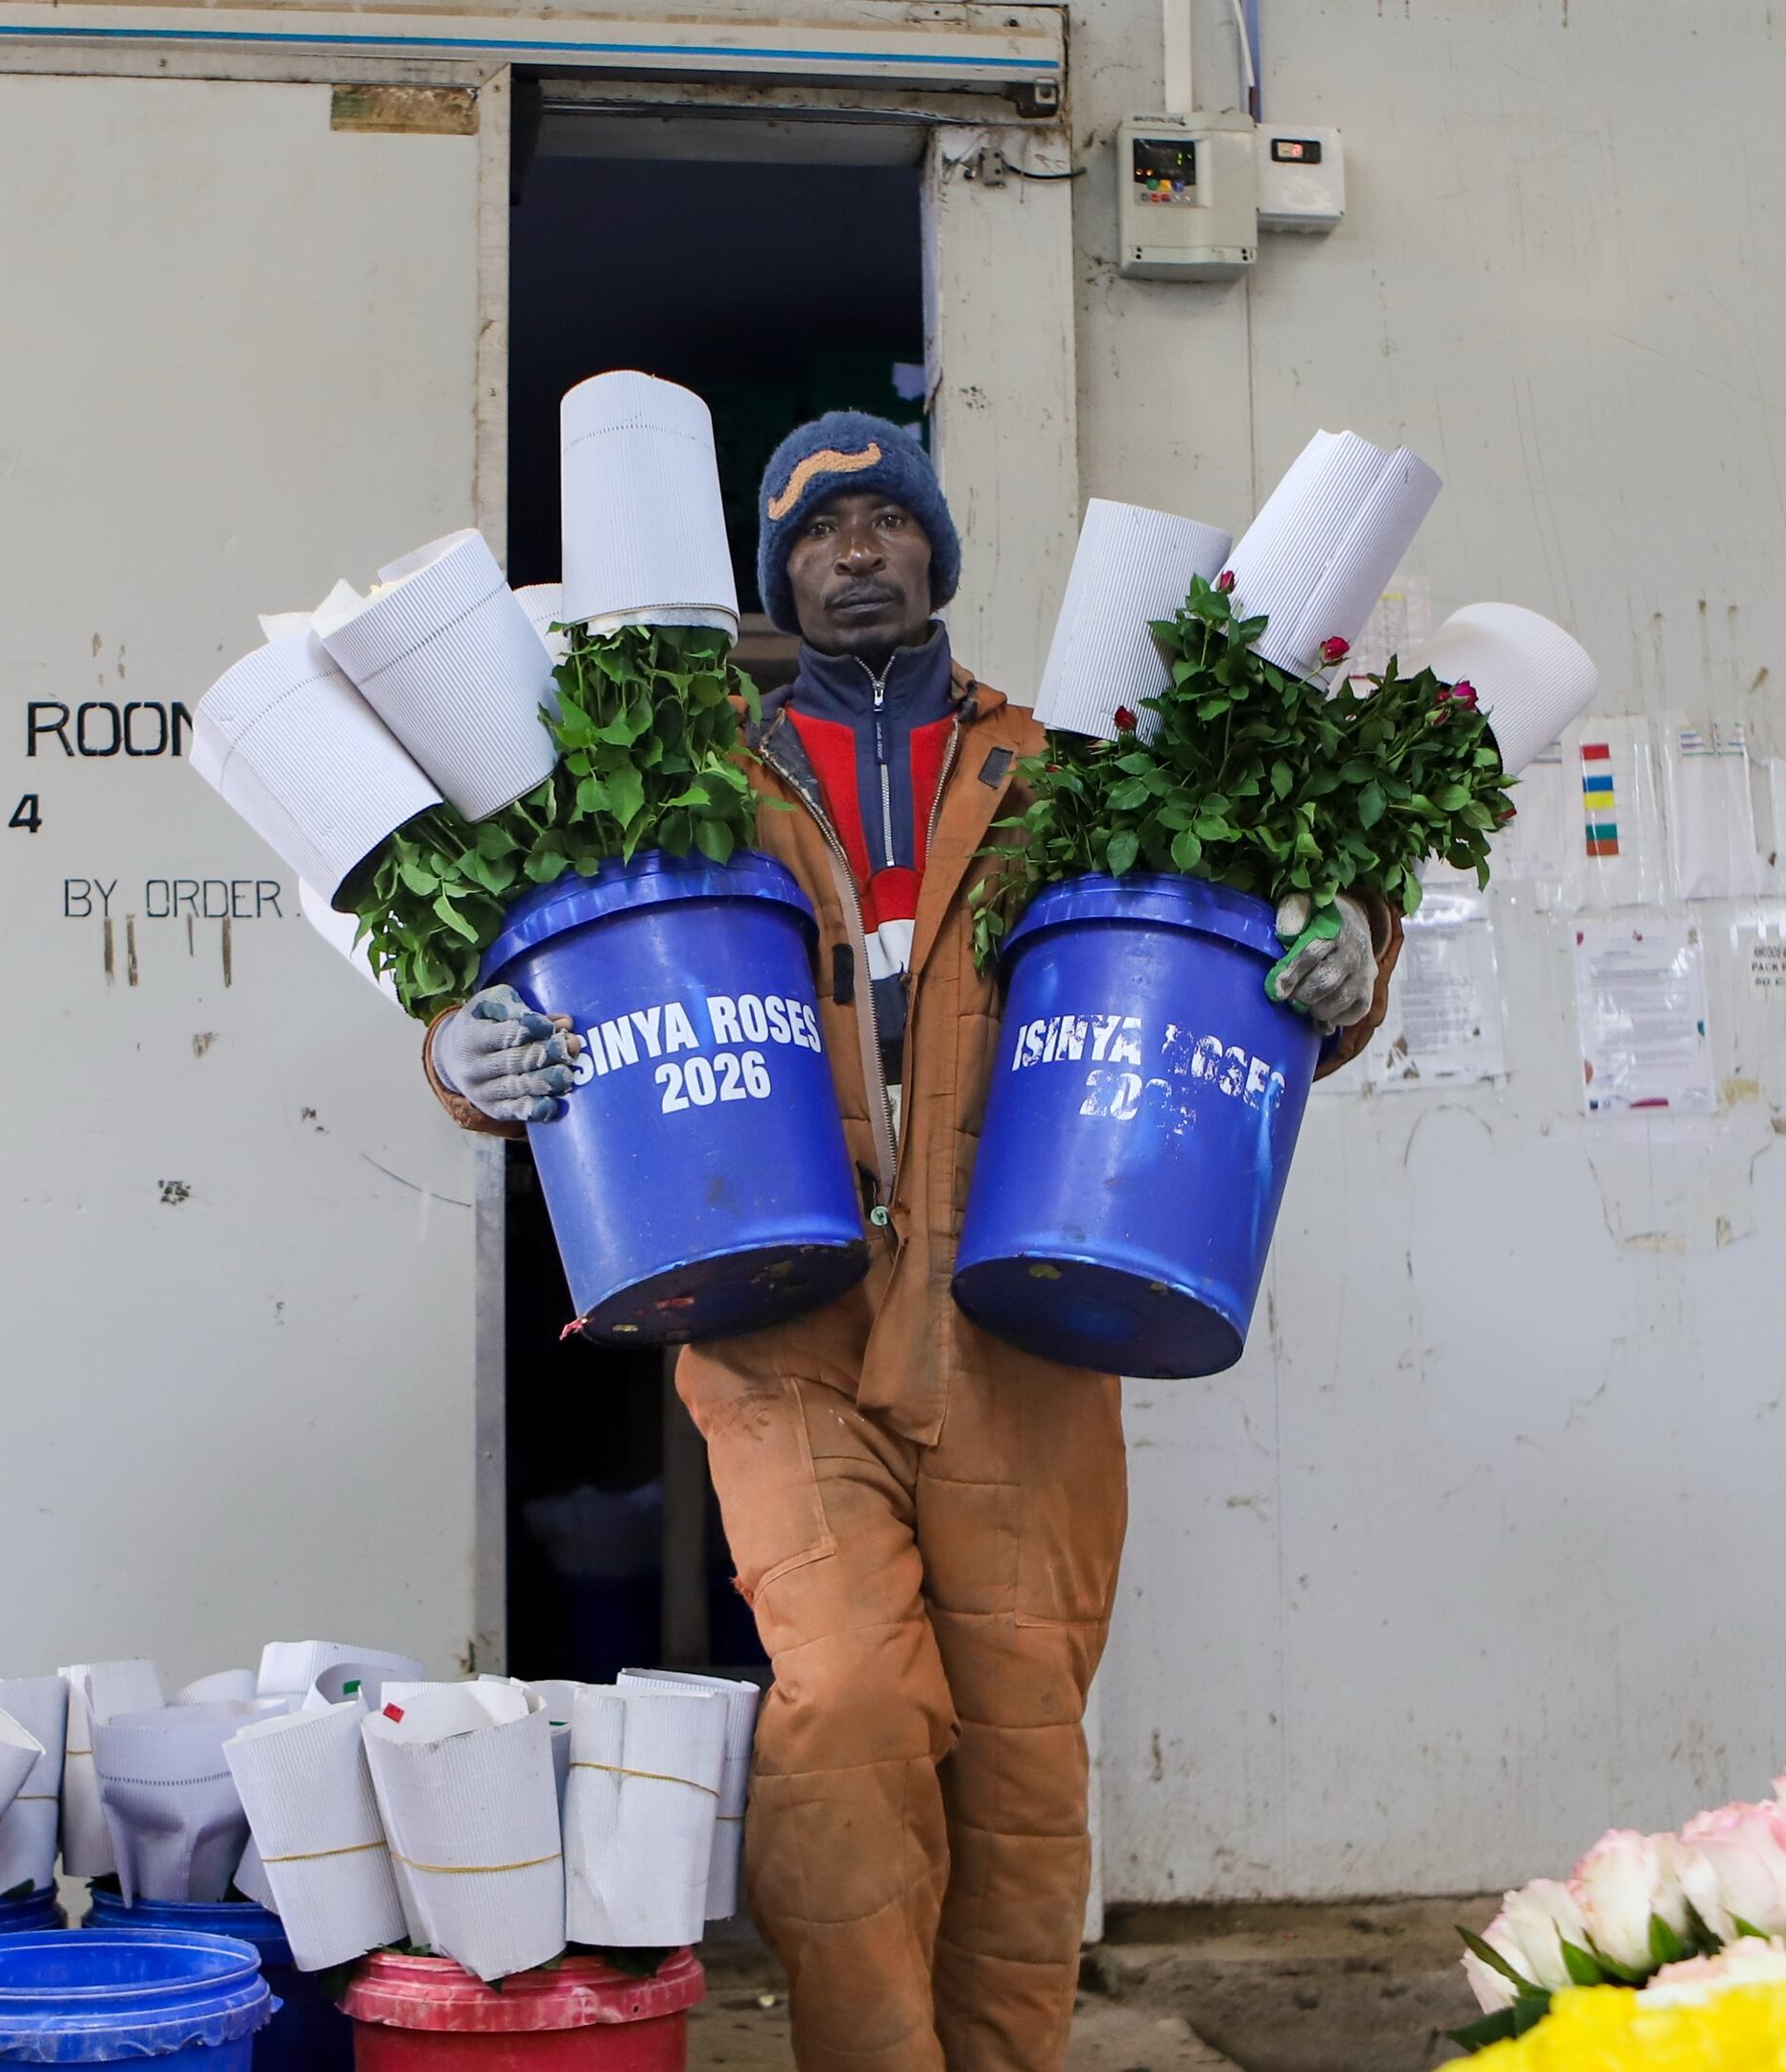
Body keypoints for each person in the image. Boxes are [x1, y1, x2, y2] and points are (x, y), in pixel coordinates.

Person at [426, 413, 1397, 2072]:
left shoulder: (1079, 755)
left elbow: (1243, 916)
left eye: (884, 520)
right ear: (773, 573)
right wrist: (464, 1049)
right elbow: (523, 951)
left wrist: (1350, 955)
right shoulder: (678, 778)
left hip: (1024, 1317)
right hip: (784, 1323)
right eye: (813, 531)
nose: (852, 551)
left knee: (1020, 1760)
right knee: (852, 1713)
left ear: (937, 550)